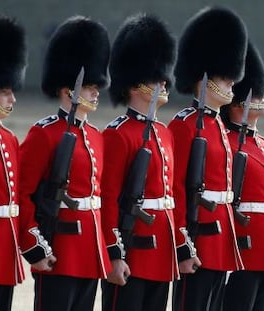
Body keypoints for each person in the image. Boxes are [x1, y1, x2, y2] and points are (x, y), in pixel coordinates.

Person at [19, 16, 111, 310]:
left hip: (89, 252)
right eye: (89, 86)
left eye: (97, 85)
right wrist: (35, 246)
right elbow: (22, 194)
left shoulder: (96, 136)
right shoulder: (44, 134)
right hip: (58, 248)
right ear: (67, 89)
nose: (95, 91)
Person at [168, 6, 247, 310]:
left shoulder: (217, 123)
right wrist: (183, 244)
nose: (231, 84)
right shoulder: (185, 124)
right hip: (198, 236)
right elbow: (175, 188)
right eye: (224, 77)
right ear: (203, 78)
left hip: (220, 236)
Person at [100, 13, 178, 311]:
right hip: (132, 249)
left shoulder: (164, 132)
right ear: (135, 85)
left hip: (161, 252)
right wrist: (114, 254)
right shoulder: (118, 134)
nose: (164, 83)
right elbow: (108, 199)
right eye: (156, 79)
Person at [0, 13, 55, 311]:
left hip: (3, 253)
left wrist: (34, 247)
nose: (12, 100)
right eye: (5, 92)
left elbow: (17, 202)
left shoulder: (8, 139)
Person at [220, 41, 264, 311]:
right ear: (238, 103)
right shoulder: (228, 142)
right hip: (244, 245)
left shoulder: (261, 142)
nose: (261, 99)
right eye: (255, 95)